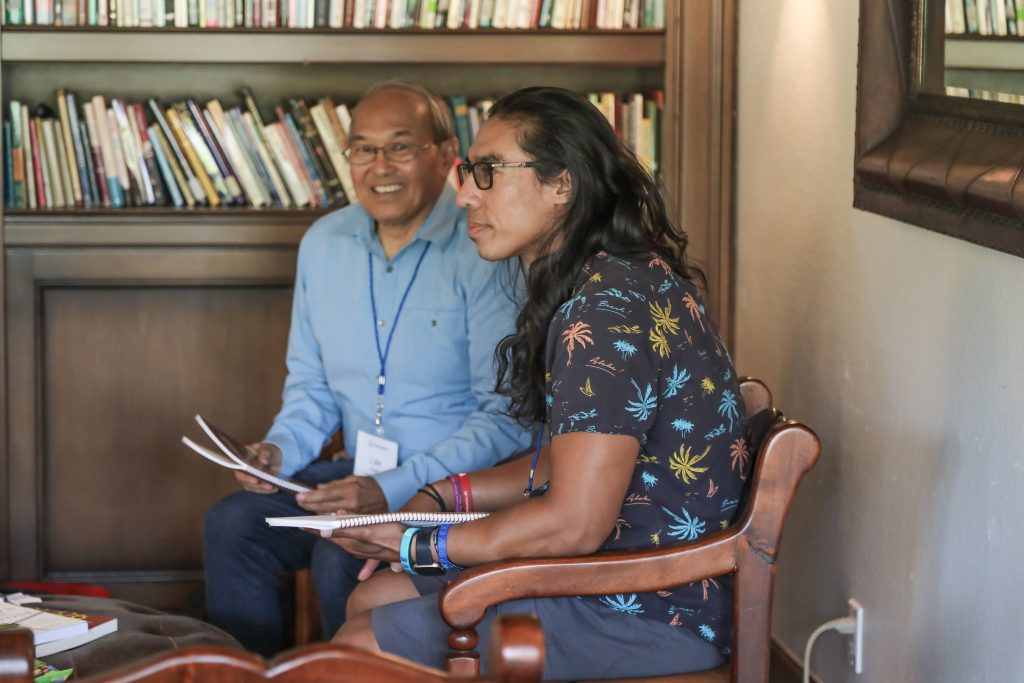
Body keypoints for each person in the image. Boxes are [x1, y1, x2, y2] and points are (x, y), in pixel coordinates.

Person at [323, 86, 751, 680]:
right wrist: (444, 498)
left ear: (562, 185)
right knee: (373, 599)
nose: (465, 193)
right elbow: (563, 464)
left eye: (488, 172)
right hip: (630, 580)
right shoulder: (618, 279)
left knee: (352, 651)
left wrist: (414, 544)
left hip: (649, 605)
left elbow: (575, 521)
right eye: (468, 171)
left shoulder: (604, 312)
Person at [202, 81, 531, 657]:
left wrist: (390, 488)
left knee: (340, 552)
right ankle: (246, 674)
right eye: (362, 149)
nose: (380, 166)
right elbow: (312, 386)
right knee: (233, 525)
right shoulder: (324, 243)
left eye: (400, 147)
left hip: (452, 488)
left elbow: (504, 420)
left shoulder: (482, 247)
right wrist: (280, 452)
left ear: (447, 156)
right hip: (357, 476)